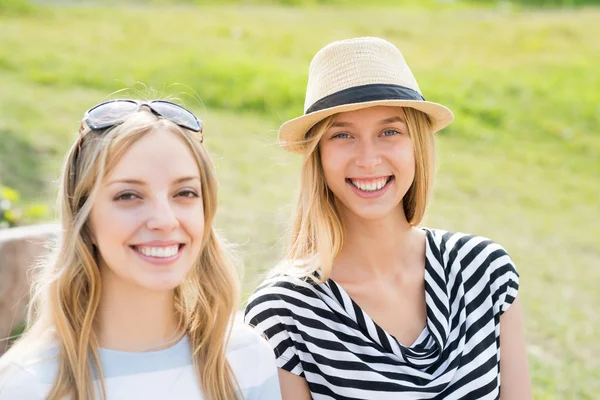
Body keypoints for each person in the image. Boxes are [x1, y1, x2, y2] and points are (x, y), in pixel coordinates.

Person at [244, 37, 532, 399]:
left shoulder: (485, 271)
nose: (368, 159)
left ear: (417, 146)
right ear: (318, 156)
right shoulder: (284, 312)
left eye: (389, 132)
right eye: (343, 134)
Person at [0, 99, 282, 400]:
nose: (164, 220)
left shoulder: (246, 359)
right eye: (129, 195)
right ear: (85, 218)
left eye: (185, 193)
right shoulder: (27, 385)